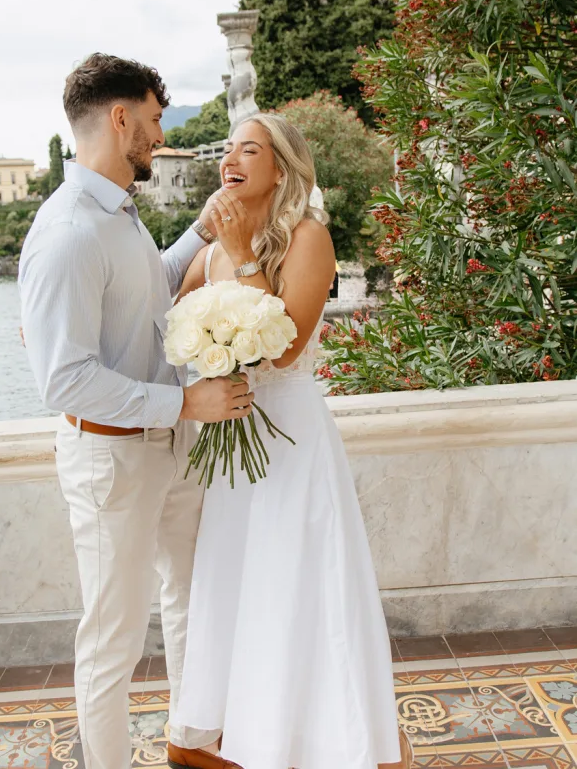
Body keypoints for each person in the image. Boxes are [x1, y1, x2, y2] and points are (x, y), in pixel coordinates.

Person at [18, 53, 254, 769]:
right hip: (111, 458)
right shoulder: (67, 232)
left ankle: (189, 742)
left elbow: (144, 290)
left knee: (189, 599)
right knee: (113, 639)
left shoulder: (114, 214)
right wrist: (185, 400)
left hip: (166, 445)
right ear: (119, 119)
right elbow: (62, 381)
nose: (159, 136)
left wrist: (202, 233)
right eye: (152, 121)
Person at [167, 113, 411, 769]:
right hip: (231, 441)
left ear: (281, 168)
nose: (230, 159)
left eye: (249, 149)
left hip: (292, 439)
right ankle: (238, 736)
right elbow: (154, 321)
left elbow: (285, 345)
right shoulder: (204, 252)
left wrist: (247, 254)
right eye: (226, 149)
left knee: (298, 578)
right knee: (239, 580)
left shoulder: (308, 239)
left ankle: (325, 738)